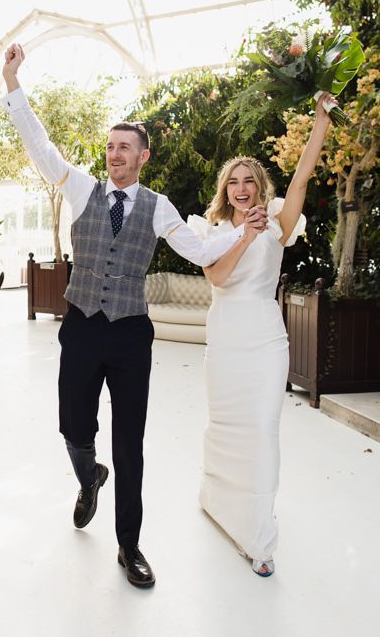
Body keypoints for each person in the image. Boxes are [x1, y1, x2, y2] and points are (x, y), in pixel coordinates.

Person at [1, 42, 268, 588]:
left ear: (143, 156)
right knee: (72, 424)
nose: (115, 155)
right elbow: (40, 145)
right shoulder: (80, 187)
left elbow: (200, 252)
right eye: (111, 147)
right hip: (80, 327)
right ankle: (87, 474)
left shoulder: (159, 206)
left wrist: (244, 232)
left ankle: (129, 546)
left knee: (130, 443)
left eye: (126, 148)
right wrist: (13, 84)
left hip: (129, 337)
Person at [188, 93, 336, 577]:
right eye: (234, 181)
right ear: (225, 189)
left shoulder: (278, 222)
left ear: (259, 187)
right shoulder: (210, 228)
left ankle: (259, 535)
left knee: (263, 430)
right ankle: (219, 501)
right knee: (227, 425)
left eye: (249, 180)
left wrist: (318, 123)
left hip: (266, 339)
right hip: (225, 337)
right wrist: (243, 236)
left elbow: (302, 177)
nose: (242, 188)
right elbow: (217, 278)